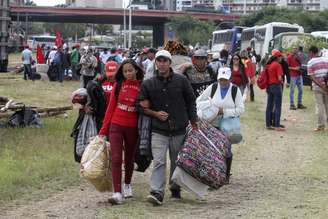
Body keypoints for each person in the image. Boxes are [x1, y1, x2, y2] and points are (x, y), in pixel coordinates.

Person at [137, 50, 198, 206]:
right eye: (159, 61)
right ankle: (156, 191)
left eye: (165, 61)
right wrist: (155, 113)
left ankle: (175, 186)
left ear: (170, 63)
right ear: (155, 63)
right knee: (158, 161)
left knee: (176, 160)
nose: (162, 63)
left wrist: (194, 121)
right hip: (158, 129)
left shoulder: (182, 80)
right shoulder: (148, 84)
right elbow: (141, 106)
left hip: (179, 128)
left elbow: (191, 101)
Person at [99, 59, 144, 205]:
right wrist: (102, 131)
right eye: (125, 71)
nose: (128, 73)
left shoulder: (143, 86)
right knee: (117, 158)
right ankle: (117, 192)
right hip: (116, 125)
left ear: (136, 70)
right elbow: (110, 108)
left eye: (130, 70)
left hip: (133, 128)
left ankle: (127, 184)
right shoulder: (118, 85)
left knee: (129, 159)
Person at [196, 67, 244, 184]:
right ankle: (211, 173)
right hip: (211, 123)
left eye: (225, 80)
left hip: (228, 124)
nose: (223, 82)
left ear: (230, 79)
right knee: (210, 148)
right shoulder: (212, 87)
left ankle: (226, 175)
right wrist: (210, 106)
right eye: (221, 80)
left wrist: (224, 111)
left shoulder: (234, 90)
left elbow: (241, 109)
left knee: (226, 149)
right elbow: (198, 101)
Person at [307, 46, 328, 131]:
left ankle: (321, 126)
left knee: (320, 107)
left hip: (318, 87)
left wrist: (321, 86)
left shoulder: (310, 62)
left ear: (311, 52)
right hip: (327, 86)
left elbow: (312, 77)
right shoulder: (326, 60)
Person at [265, 49, 285, 131]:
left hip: (269, 86)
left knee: (269, 106)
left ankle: (268, 124)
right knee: (277, 106)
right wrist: (282, 82)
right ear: (278, 57)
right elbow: (280, 77)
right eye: (281, 56)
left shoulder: (270, 65)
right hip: (276, 86)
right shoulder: (278, 65)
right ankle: (277, 125)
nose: (281, 58)